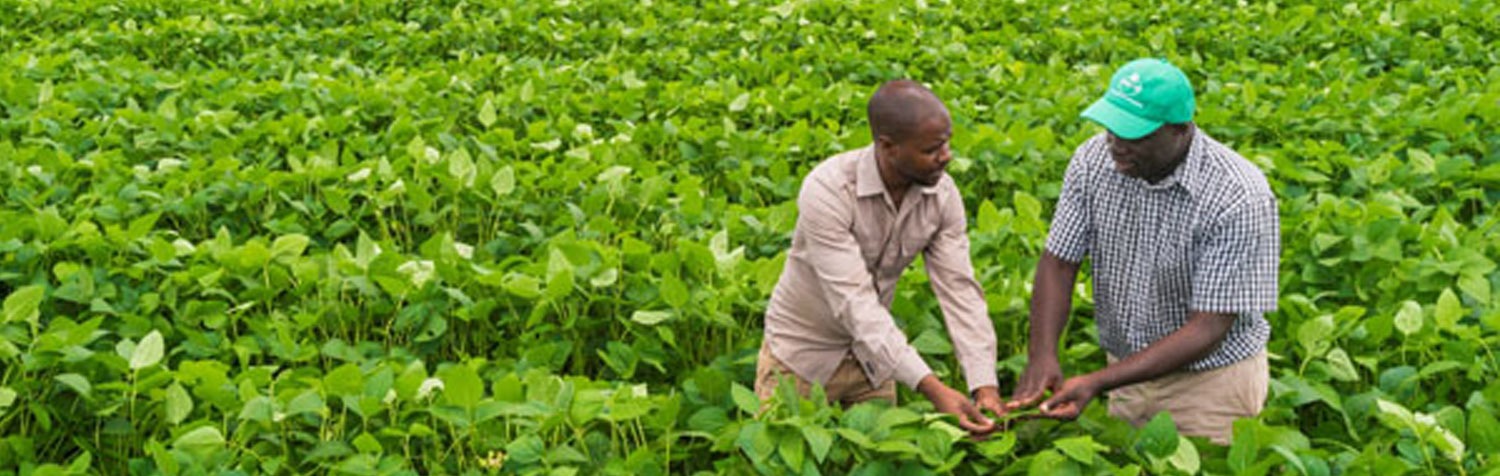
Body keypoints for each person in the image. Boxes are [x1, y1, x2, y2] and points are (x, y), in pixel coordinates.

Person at [1005, 58, 1280, 445]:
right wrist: (1042, 354)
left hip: (1210, 384)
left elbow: (1210, 326)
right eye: (1112, 128)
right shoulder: (1093, 161)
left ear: (1180, 131)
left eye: (1134, 135)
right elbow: (1059, 261)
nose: (1116, 144)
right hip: (1126, 371)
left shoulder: (1237, 195)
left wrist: (1097, 383)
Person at [756, 80, 1003, 437]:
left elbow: (960, 291)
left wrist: (984, 386)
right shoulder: (829, 190)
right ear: (888, 147)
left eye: (947, 142)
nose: (946, 155)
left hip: (873, 360)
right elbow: (855, 304)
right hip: (801, 355)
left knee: (881, 459)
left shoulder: (942, 194)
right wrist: (933, 389)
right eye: (932, 148)